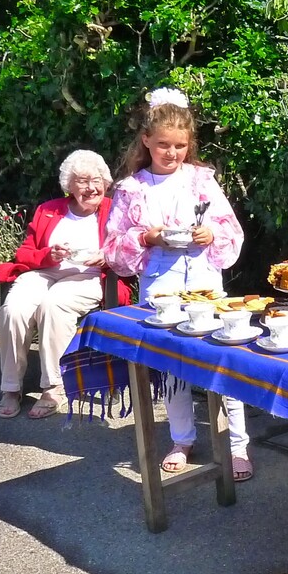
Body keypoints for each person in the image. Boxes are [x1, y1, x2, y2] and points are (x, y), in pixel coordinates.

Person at [102, 87, 254, 481]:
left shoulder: (201, 181)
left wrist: (210, 235)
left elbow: (229, 227)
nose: (172, 153)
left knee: (224, 360)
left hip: (205, 278)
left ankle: (237, 444)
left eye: (180, 146)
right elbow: (113, 247)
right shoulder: (132, 189)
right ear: (147, 141)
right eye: (164, 145)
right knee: (173, 368)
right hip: (162, 284)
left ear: (190, 144)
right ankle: (182, 437)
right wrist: (145, 238)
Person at [0, 150, 131, 419]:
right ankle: (10, 387)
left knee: (53, 305)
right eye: (81, 181)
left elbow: (129, 248)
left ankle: (53, 386)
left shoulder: (115, 209)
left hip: (90, 275)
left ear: (105, 182)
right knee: (14, 309)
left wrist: (105, 256)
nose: (90, 187)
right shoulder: (49, 210)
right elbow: (24, 253)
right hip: (45, 272)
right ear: (69, 185)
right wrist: (48, 254)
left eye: (95, 180)